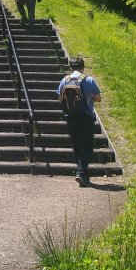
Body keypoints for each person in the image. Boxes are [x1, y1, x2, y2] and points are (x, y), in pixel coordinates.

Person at [56, 56, 102, 186]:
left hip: (71, 117)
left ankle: (83, 176)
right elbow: (98, 99)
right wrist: (90, 97)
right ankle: (81, 173)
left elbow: (60, 99)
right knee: (87, 146)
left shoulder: (64, 80)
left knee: (77, 146)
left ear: (71, 67)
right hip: (86, 117)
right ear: (83, 67)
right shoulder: (89, 80)